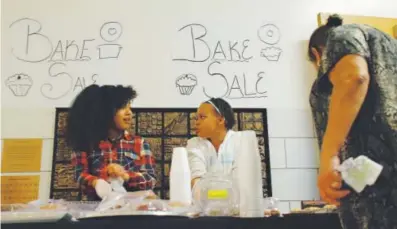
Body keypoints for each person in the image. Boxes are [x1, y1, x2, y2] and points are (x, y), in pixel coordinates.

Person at [308, 14, 397, 229]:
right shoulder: (390, 49)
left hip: (380, 202)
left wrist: (329, 155)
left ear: (317, 55)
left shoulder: (340, 36)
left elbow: (353, 77)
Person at [66, 85, 156, 200]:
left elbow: (150, 179)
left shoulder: (139, 143)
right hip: (97, 211)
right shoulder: (86, 142)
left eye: (130, 108)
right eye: (122, 107)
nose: (129, 113)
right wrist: (96, 182)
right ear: (106, 112)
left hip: (133, 210)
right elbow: (79, 176)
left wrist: (125, 176)